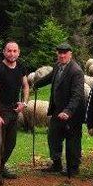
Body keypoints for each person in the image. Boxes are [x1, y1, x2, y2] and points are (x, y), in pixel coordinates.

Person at [35, 42, 85, 177]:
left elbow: (77, 95)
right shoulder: (58, 66)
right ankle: (56, 164)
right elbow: (50, 77)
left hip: (72, 113)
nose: (62, 55)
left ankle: (73, 169)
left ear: (70, 54)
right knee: (53, 137)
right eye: (60, 53)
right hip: (57, 110)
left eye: (65, 53)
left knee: (72, 141)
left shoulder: (76, 71)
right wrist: (36, 84)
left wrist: (68, 111)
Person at [0, 41, 29, 185]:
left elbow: (25, 86)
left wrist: (23, 103)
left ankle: (2, 165)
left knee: (11, 142)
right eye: (9, 51)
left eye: (14, 51)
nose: (12, 54)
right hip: (0, 107)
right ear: (4, 52)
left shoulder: (21, 67)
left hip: (14, 108)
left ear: (18, 52)